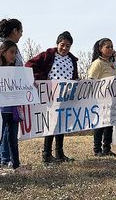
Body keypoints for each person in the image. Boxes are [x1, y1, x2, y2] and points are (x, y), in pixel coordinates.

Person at [25, 31, 78, 163]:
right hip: (51, 95)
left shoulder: (72, 59)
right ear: (57, 43)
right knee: (51, 124)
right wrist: (42, 79)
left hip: (66, 96)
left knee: (62, 124)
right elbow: (29, 65)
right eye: (62, 45)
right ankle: (46, 154)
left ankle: (59, 153)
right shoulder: (47, 55)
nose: (65, 48)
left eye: (68, 46)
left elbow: (74, 76)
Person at [0, 18, 24, 168]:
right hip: (2, 107)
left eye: (15, 53)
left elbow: (21, 78)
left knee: (13, 138)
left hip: (13, 106)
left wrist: (28, 83)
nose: (14, 56)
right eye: (12, 53)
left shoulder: (15, 64)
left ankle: (15, 164)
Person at [88, 38, 116, 157]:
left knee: (109, 124)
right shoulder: (97, 63)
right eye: (107, 47)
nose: (110, 49)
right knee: (100, 124)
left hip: (112, 99)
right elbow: (91, 80)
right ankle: (97, 149)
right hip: (100, 99)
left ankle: (107, 148)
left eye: (111, 47)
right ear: (100, 49)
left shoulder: (112, 63)